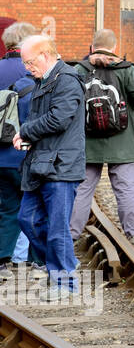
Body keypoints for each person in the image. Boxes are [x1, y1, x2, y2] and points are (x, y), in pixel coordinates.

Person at [13, 34, 86, 300]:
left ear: (45, 55)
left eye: (30, 62)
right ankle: (63, 264)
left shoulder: (66, 79)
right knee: (27, 219)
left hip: (61, 166)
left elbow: (59, 119)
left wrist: (26, 132)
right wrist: (29, 138)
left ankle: (65, 283)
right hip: (41, 163)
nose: (27, 68)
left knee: (57, 229)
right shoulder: (44, 79)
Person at [67, 29, 134, 246]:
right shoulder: (126, 69)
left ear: (92, 47)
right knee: (125, 190)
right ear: (115, 48)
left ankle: (71, 235)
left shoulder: (79, 69)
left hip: (88, 142)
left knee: (82, 190)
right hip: (122, 141)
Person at [0, 22, 36, 279]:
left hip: (1, 154)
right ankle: (30, 257)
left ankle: (4, 256)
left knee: (7, 206)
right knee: (33, 204)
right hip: (25, 151)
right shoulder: (33, 70)